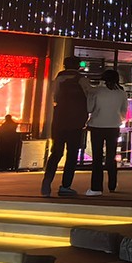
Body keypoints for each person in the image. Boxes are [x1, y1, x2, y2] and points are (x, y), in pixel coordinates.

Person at [41, 55, 91, 197]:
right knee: (72, 154)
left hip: (59, 121)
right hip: (76, 122)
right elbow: (90, 96)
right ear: (78, 66)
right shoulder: (82, 79)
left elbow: (54, 97)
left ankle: (47, 182)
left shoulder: (58, 79)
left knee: (56, 152)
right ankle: (65, 186)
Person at [85, 69, 127, 196]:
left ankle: (96, 188)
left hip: (97, 126)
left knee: (97, 158)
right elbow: (124, 112)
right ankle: (112, 184)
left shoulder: (97, 91)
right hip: (114, 127)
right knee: (111, 157)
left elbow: (89, 108)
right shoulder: (122, 93)